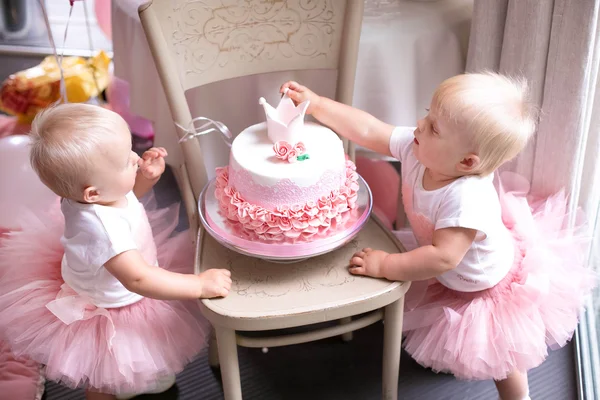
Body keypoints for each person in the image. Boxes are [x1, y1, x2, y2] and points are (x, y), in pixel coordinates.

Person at [280, 74, 595, 400]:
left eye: (434, 127)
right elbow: (369, 130)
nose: (419, 124)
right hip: (445, 264)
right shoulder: (421, 152)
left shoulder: (465, 200)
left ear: (466, 162)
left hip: (484, 289)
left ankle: (519, 398)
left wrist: (387, 264)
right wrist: (316, 105)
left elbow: (443, 257)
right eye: (428, 114)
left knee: (504, 356)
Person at [0, 104, 232, 400]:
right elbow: (138, 280)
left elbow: (125, 199)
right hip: (115, 304)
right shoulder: (105, 233)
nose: (136, 158)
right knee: (106, 368)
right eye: (126, 161)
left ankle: (141, 379)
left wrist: (144, 178)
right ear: (93, 193)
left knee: (136, 357)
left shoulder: (88, 197)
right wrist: (199, 285)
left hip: (107, 273)